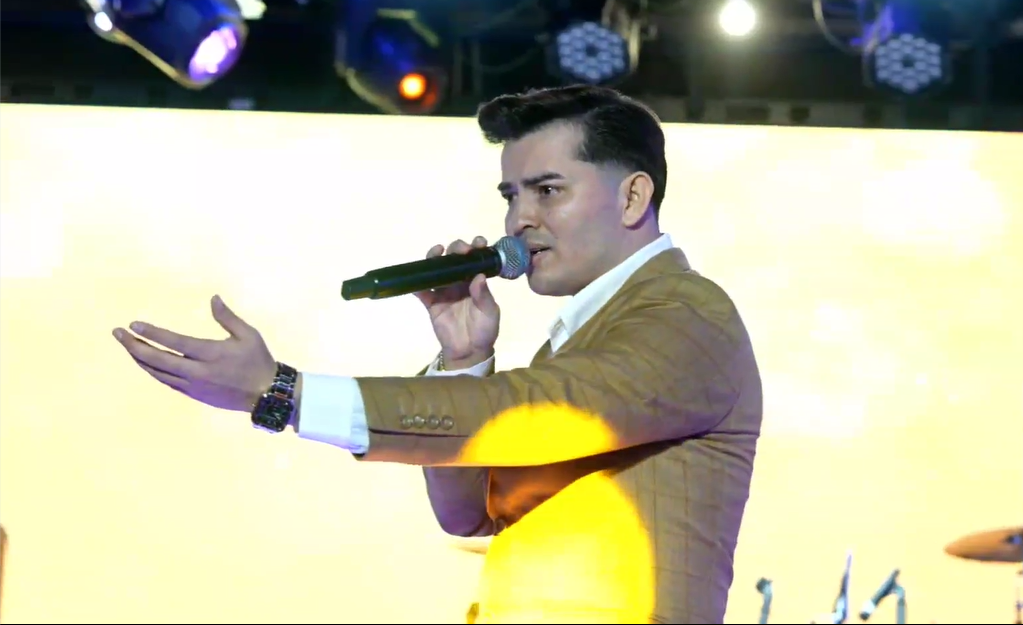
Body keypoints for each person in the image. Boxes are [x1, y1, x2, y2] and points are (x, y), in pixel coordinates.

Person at [113, 85, 763, 624]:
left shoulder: (685, 316)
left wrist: (281, 393)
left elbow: (526, 411)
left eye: (547, 191)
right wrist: (464, 359)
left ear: (632, 197)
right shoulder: (581, 338)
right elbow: (468, 513)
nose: (518, 221)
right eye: (510, 197)